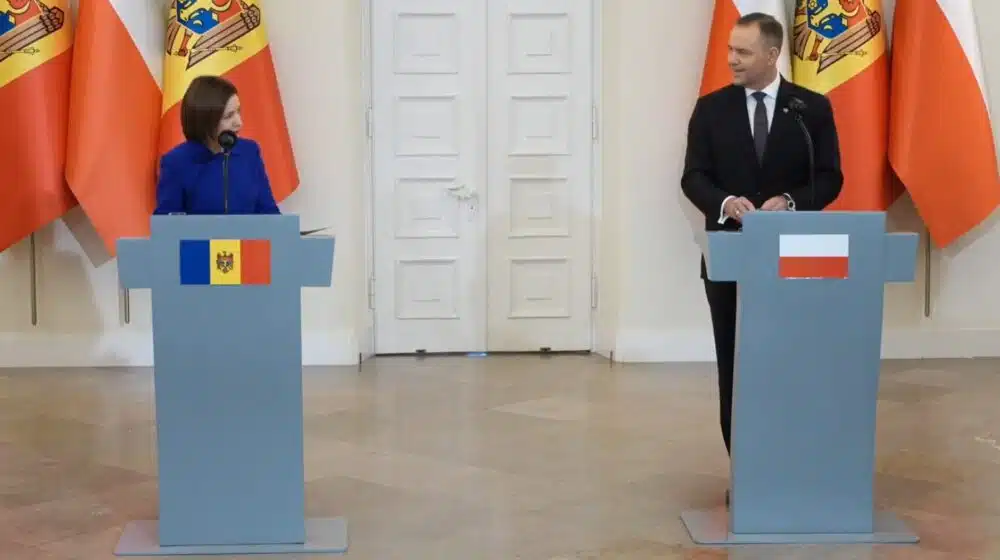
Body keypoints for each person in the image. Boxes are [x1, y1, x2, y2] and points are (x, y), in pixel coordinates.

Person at [680, 13, 843, 505]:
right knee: (736, 365)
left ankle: (794, 466)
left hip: (795, 260)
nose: (731, 59)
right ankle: (747, 472)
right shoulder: (711, 110)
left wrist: (791, 202)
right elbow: (693, 176)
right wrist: (726, 203)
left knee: (791, 364)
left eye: (743, 52)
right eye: (730, 49)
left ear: (772, 56)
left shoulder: (809, 109)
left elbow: (830, 177)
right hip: (731, 258)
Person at [153, 75, 281, 215]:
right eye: (228, 116)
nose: (239, 123)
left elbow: (269, 214)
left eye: (238, 111)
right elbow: (168, 223)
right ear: (205, 120)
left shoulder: (249, 152)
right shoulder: (176, 163)